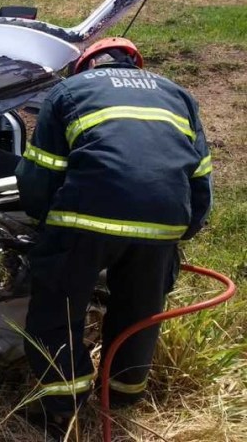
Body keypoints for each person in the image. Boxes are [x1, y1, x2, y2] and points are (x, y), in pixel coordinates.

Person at [15, 37, 213, 437]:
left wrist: (45, 224)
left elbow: (41, 175)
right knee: (139, 311)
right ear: (135, 64)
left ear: (87, 65)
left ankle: (61, 410)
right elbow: (200, 177)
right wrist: (178, 234)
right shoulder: (178, 95)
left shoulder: (68, 92)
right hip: (163, 223)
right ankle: (121, 397)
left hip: (85, 217)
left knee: (57, 310)